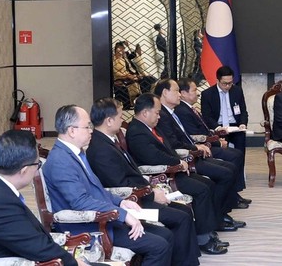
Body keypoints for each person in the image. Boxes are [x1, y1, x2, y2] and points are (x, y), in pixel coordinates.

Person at [86, 97, 227, 259]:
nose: (122, 119)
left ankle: (187, 258)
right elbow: (119, 184)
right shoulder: (100, 149)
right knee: (180, 216)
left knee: (183, 211)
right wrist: (152, 193)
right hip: (133, 203)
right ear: (109, 121)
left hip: (140, 194)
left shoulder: (109, 141)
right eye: (119, 116)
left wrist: (151, 187)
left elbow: (131, 174)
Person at [42, 105, 173, 266]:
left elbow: (97, 190)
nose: (91, 130)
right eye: (87, 126)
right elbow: (80, 202)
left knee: (165, 234)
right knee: (158, 246)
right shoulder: (60, 161)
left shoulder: (77, 153)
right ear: (72, 131)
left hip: (105, 218)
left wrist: (120, 202)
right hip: (89, 227)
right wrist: (123, 215)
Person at [0, 130, 89, 266]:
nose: (37, 170)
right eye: (37, 165)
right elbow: (39, 248)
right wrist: (77, 263)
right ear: (24, 170)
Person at [124, 93, 239, 234]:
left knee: (208, 184)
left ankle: (211, 227)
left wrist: (180, 161)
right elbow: (154, 157)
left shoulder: (151, 127)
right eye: (157, 113)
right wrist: (178, 162)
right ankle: (204, 237)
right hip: (163, 174)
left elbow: (169, 148)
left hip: (175, 170)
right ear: (145, 113)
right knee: (201, 190)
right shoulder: (136, 131)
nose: (159, 117)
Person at [152, 79, 246, 226]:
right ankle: (218, 217)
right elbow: (173, 143)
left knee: (229, 168)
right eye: (176, 91)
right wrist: (196, 148)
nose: (179, 95)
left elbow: (185, 136)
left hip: (193, 152)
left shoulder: (171, 112)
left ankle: (221, 213)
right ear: (165, 92)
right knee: (225, 173)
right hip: (187, 157)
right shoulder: (162, 116)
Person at [177, 77, 249, 199]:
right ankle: (230, 197)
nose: (198, 93)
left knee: (237, 152)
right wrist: (217, 142)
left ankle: (233, 195)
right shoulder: (182, 111)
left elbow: (202, 130)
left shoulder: (189, 108)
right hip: (200, 149)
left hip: (207, 143)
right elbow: (195, 135)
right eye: (194, 90)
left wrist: (215, 137)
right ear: (183, 93)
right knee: (234, 156)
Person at [200, 65, 249, 158]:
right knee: (223, 152)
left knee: (240, 146)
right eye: (224, 83)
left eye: (230, 83)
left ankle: (240, 171)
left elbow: (243, 111)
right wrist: (217, 128)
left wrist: (243, 123)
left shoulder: (237, 91)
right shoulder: (207, 94)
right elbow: (207, 116)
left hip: (235, 127)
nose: (227, 86)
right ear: (217, 80)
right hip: (218, 127)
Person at [112, 41, 155, 108]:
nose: (122, 50)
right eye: (120, 48)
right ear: (116, 49)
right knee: (143, 81)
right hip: (123, 77)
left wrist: (129, 46)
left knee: (149, 79)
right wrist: (128, 75)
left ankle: (145, 98)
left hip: (131, 74)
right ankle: (142, 100)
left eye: (123, 48)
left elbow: (134, 54)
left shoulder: (125, 56)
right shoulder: (114, 59)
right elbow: (115, 72)